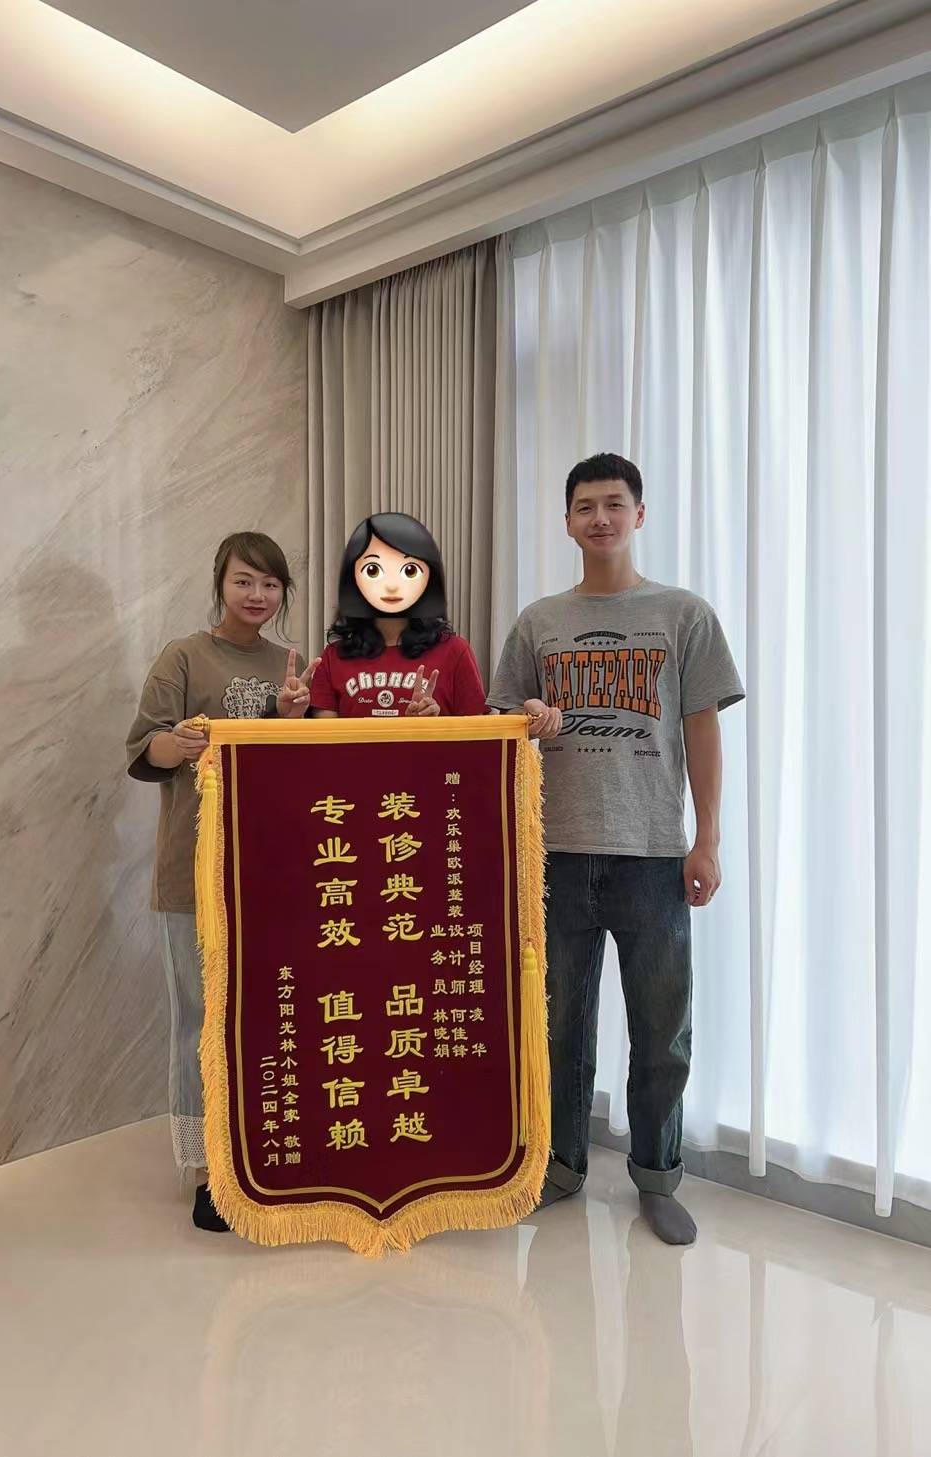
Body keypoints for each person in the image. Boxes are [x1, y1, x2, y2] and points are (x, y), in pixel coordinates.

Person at [488, 453, 745, 1245]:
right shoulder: (537, 621)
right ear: (566, 521)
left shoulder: (682, 614)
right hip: (555, 854)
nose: (598, 518)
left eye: (612, 503)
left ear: (638, 514)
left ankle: (656, 1177)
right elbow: (498, 729)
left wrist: (706, 839)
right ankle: (560, 1166)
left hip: (651, 854)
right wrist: (529, 715)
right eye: (583, 506)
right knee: (558, 1027)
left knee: (661, 1029)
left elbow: (701, 730)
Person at [125, 532, 317, 1232]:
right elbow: (143, 747)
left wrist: (292, 720)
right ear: (220, 584)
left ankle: (259, 1150)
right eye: (244, 581)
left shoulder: (287, 667)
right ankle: (209, 1168)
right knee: (200, 1019)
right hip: (192, 871)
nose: (256, 595)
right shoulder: (182, 656)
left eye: (269, 584)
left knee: (267, 1014)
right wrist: (176, 742)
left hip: (271, 872)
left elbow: (300, 775)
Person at [308, 512, 487, 719]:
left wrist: (434, 727)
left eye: (409, 571)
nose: (391, 586)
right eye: (373, 570)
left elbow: (477, 733)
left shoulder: (455, 652)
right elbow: (325, 735)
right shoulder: (334, 657)